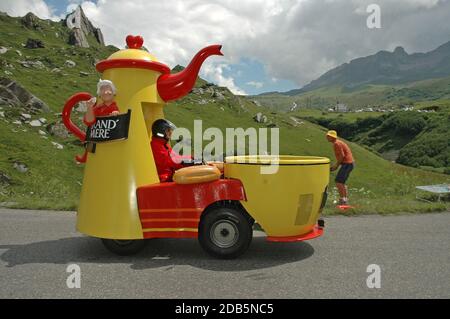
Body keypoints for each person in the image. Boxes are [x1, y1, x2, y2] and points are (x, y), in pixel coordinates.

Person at [326, 130, 355, 205]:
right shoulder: (338, 142)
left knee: (339, 181)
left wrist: (336, 165)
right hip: (349, 163)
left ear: (332, 137)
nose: (327, 137)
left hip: (347, 164)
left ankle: (343, 200)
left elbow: (342, 156)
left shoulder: (336, 144)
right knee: (341, 182)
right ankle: (344, 199)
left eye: (328, 136)